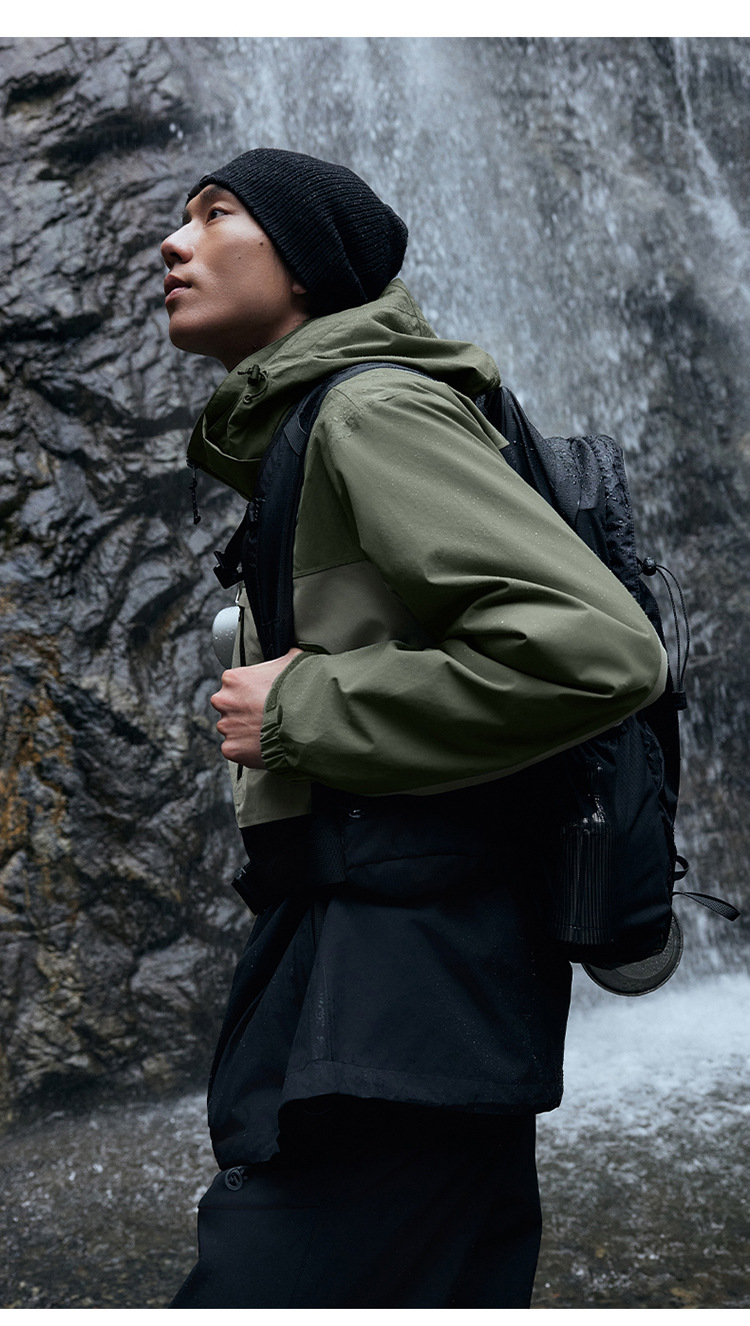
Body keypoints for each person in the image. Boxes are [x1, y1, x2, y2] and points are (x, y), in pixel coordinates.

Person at [160, 148, 667, 1308]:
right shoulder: (335, 417)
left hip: (396, 974)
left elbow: (597, 649)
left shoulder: (371, 408)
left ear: (306, 266)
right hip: (420, 965)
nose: (174, 243)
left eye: (217, 214)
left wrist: (302, 705)